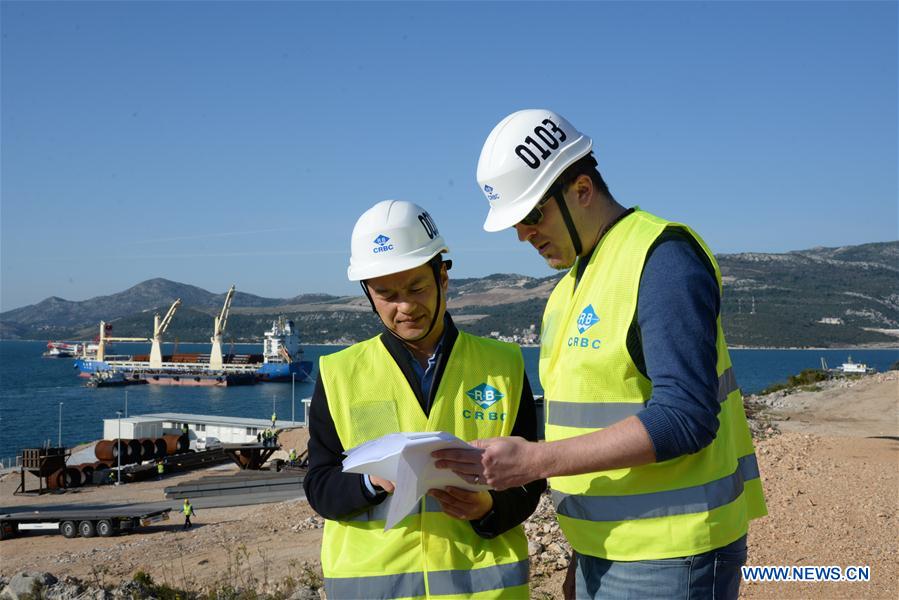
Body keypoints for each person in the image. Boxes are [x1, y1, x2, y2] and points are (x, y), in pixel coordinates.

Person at [434, 109, 768, 599]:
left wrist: (536, 461)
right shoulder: (567, 291)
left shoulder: (662, 258)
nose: (523, 234)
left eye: (532, 215)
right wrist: (581, 555)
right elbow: (594, 425)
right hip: (602, 550)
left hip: (671, 554)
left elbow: (686, 418)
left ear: (582, 190)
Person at [303, 200, 545, 599]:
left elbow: (528, 481)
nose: (405, 307)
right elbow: (319, 485)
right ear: (367, 292)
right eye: (386, 294)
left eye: (417, 287)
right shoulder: (338, 373)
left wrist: (487, 509)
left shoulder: (502, 364)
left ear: (443, 276)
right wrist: (371, 482)